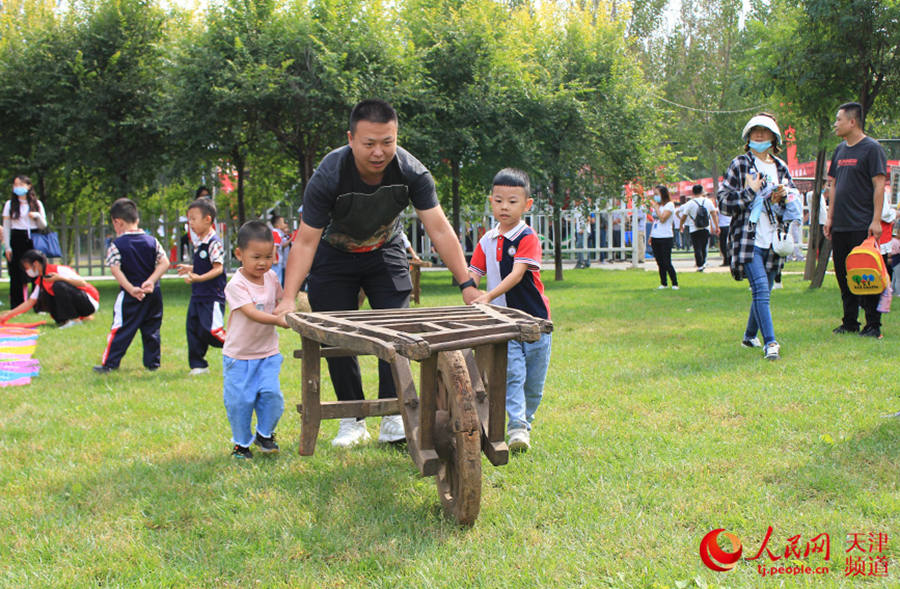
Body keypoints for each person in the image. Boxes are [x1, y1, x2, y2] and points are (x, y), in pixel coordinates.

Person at [275, 99, 479, 448]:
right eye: (369, 143)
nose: (379, 152)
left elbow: (439, 229)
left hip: (385, 250)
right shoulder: (330, 174)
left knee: (396, 329)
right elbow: (306, 241)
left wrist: (467, 284)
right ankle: (352, 419)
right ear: (351, 139)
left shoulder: (412, 173)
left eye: (388, 142)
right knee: (335, 333)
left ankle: (393, 414)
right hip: (334, 254)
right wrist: (287, 298)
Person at [468, 169, 551, 452]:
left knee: (534, 385)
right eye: (499, 200)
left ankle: (524, 423)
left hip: (536, 320)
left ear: (527, 205)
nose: (504, 207)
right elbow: (473, 273)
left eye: (512, 201)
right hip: (504, 322)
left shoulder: (527, 237)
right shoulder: (486, 240)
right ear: (491, 201)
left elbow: (517, 274)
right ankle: (516, 427)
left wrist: (488, 296)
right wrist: (469, 290)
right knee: (513, 374)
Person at [718, 113, 801, 361]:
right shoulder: (740, 164)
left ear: (774, 137)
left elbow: (792, 201)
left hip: (774, 239)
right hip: (748, 238)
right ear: (748, 136)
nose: (759, 135)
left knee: (765, 290)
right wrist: (750, 192)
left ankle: (749, 336)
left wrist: (781, 198)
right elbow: (723, 202)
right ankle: (771, 343)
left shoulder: (780, 167)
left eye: (764, 131)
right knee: (761, 289)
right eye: (755, 131)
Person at [222, 221, 288, 459]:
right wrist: (278, 320)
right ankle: (241, 445)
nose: (263, 263)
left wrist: (286, 310)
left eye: (268, 256)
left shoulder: (271, 277)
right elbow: (250, 312)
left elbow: (281, 301)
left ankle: (264, 433)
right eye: (256, 257)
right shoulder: (236, 284)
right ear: (239, 254)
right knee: (240, 403)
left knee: (272, 396)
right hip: (239, 357)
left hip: (268, 353)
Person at [824, 102, 888, 339]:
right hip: (840, 224)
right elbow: (834, 184)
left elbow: (879, 185)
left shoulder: (872, 149)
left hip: (862, 224)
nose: (835, 124)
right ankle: (850, 321)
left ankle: (873, 324)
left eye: (839, 120)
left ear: (852, 122)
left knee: (866, 273)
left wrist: (876, 220)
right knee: (843, 275)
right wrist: (829, 217)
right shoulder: (840, 150)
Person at [94, 198, 170, 373]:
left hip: (130, 296)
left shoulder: (116, 245)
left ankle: (110, 363)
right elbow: (164, 262)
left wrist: (130, 288)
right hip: (153, 294)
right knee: (152, 329)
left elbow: (115, 269)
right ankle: (153, 364)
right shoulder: (152, 241)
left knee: (121, 329)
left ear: (118, 222)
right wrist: (151, 281)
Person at [177, 198, 227, 376]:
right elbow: (204, 266)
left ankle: (238, 347)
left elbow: (218, 268)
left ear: (207, 219)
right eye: (188, 219)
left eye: (193, 219)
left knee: (211, 330)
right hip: (198, 295)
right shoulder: (199, 242)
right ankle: (198, 365)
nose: (190, 223)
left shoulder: (214, 243)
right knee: (193, 329)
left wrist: (199, 278)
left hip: (212, 296)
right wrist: (191, 269)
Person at [0, 249, 99, 327]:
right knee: (46, 296)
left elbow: (82, 283)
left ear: (36, 264)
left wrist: (60, 278)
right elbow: (30, 302)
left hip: (89, 302)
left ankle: (75, 320)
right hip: (81, 302)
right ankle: (70, 319)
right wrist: (9, 314)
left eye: (27, 268)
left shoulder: (58, 269)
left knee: (58, 285)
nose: (27, 271)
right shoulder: (41, 280)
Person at [3, 176, 47, 308]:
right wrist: (7, 247)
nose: (18, 187)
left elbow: (43, 225)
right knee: (16, 273)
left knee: (37, 271)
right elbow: (6, 227)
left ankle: (39, 304)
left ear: (28, 186)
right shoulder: (9, 204)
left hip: (34, 237)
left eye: (21, 184)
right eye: (15, 185)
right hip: (17, 238)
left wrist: (37, 216)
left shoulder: (37, 204)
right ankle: (17, 305)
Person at [678, 184, 718, 271]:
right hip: (706, 228)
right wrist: (716, 226)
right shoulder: (708, 201)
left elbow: (684, 216)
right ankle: (703, 262)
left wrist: (681, 226)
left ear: (693, 192)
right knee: (704, 246)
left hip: (694, 228)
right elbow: (714, 214)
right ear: (702, 191)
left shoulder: (690, 203)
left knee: (697, 247)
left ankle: (700, 265)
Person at [648, 185, 679, 290]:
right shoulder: (658, 206)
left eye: (657, 194)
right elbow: (655, 222)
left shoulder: (669, 205)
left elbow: (662, 218)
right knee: (659, 262)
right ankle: (663, 283)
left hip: (665, 236)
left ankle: (674, 283)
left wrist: (656, 208)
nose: (655, 196)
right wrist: (651, 235)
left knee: (667, 262)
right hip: (656, 236)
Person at [716, 199, 732, 266]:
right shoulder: (731, 206)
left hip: (723, 226)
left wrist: (716, 227)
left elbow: (717, 217)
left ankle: (726, 259)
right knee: (728, 243)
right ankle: (728, 259)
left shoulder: (719, 208)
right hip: (729, 225)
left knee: (723, 244)